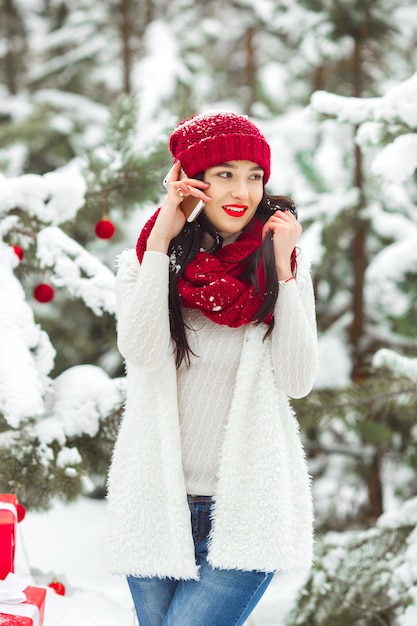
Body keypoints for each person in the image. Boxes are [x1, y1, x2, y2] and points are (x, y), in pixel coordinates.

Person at [107, 111, 319, 626]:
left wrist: (285, 269)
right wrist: (161, 239)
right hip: (158, 499)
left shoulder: (281, 261)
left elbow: (298, 379)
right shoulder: (146, 262)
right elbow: (143, 352)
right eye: (224, 173)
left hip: (246, 503)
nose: (241, 190)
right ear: (191, 180)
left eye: (253, 175)